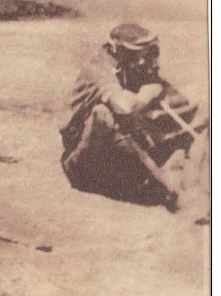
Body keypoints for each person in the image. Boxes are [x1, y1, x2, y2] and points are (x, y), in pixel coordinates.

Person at [60, 23, 202, 209]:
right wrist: (148, 93)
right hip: (85, 165)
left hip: (120, 162)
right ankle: (171, 193)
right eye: (145, 54)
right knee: (103, 115)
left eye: (154, 53)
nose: (153, 61)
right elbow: (125, 106)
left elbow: (184, 106)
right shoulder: (98, 70)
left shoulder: (133, 68)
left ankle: (198, 184)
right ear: (120, 52)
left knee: (204, 111)